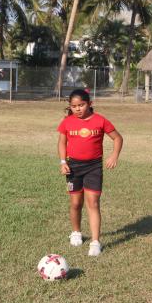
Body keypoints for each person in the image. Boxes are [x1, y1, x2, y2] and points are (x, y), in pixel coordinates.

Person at [57, 88, 124, 256]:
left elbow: (118, 138)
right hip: (73, 167)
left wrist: (114, 155)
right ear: (70, 107)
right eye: (74, 106)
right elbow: (62, 143)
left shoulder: (100, 121)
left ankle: (95, 242)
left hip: (94, 167)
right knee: (75, 203)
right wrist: (63, 162)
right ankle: (76, 232)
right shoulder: (67, 122)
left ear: (90, 103)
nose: (78, 109)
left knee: (93, 203)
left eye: (82, 105)